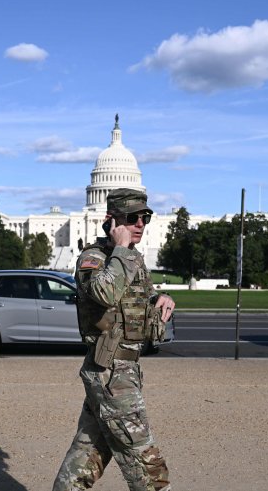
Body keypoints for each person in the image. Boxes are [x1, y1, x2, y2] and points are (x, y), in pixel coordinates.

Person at [53, 188, 174, 491]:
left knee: (87, 455)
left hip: (124, 370)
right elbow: (104, 293)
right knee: (145, 462)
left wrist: (159, 298)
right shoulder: (93, 257)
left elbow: (131, 300)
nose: (139, 224)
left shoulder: (132, 259)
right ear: (111, 220)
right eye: (131, 217)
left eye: (145, 217)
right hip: (110, 372)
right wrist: (120, 248)